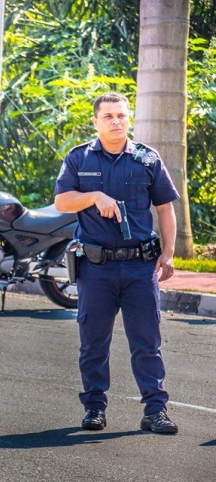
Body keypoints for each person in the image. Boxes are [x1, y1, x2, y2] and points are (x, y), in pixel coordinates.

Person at [54, 92, 179, 434]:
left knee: (147, 343)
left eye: (121, 115)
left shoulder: (147, 159)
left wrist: (168, 254)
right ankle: (94, 407)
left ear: (129, 118)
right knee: (94, 343)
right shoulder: (79, 158)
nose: (115, 121)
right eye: (108, 116)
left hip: (140, 267)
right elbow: (62, 201)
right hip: (97, 268)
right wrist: (94, 196)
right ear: (95, 121)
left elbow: (165, 209)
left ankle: (155, 411)